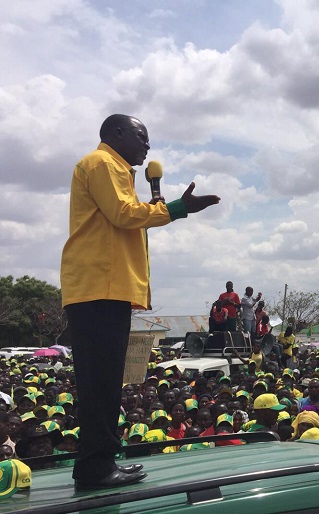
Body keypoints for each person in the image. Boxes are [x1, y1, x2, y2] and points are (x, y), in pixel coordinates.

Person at [60, 114, 219, 490]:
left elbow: (127, 218)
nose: (147, 145)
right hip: (98, 287)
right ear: (115, 134)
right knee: (100, 382)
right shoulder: (102, 163)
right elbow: (124, 215)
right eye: (140, 136)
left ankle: (99, 461)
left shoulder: (115, 170)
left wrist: (164, 206)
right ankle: (95, 468)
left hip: (105, 289)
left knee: (106, 382)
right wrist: (178, 209)